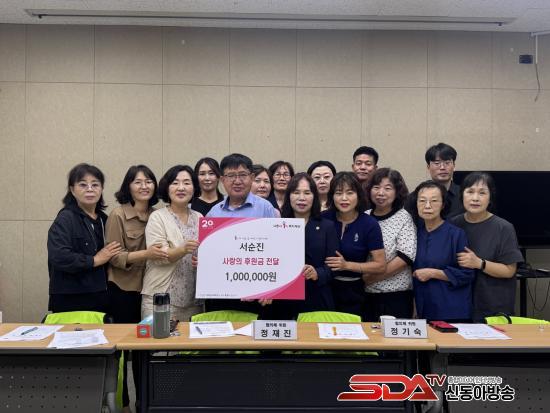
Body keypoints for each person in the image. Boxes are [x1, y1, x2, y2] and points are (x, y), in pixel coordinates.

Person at [105, 165, 164, 412]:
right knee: (121, 352)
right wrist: (147, 254)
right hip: (123, 290)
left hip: (150, 290)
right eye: (138, 182)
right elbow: (114, 257)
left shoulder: (159, 215)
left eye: (149, 181)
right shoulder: (117, 215)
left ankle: (145, 403)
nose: (144, 186)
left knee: (145, 350)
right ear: (128, 186)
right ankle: (123, 404)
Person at [206, 153, 278, 313]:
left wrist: (271, 288)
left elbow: (275, 250)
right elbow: (209, 253)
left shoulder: (265, 208)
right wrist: (202, 259)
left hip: (258, 293)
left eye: (243, 175)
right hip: (221, 292)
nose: (237, 181)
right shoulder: (214, 213)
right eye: (231, 176)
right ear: (222, 180)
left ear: (251, 177)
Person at [48, 163, 121, 313]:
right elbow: (58, 256)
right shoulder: (66, 218)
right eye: (83, 184)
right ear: (72, 190)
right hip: (70, 298)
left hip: (101, 296)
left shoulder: (105, 219)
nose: (90, 189)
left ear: (101, 189)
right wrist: (95, 260)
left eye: (95, 184)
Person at [451, 172, 523, 322]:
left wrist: (479, 263)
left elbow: (509, 270)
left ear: (490, 197)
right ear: (462, 195)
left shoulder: (503, 228)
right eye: (470, 191)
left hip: (493, 307)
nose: (475, 198)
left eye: (482, 193)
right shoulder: (453, 225)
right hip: (458, 305)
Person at [271, 173, 339, 319]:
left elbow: (334, 267)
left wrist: (318, 273)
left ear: (314, 196)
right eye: (296, 192)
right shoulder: (277, 226)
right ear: (289, 196)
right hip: (282, 299)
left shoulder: (327, 227)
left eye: (307, 193)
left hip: (316, 298)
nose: (301, 198)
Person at [141, 165, 204, 321]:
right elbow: (158, 256)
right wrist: (182, 249)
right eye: (175, 183)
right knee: (159, 337)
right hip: (161, 298)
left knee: (191, 338)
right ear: (167, 188)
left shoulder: (200, 217)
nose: (181, 188)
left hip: (194, 300)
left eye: (187, 183)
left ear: (194, 188)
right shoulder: (157, 217)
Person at [322, 172, 386, 317]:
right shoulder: (324, 219)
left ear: (358, 195)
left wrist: (347, 265)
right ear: (332, 196)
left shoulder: (369, 224)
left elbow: (380, 265)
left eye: (350, 193)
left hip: (354, 291)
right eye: (339, 193)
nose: (344, 198)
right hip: (324, 288)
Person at [410, 180, 474, 322]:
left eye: (434, 201)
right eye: (422, 201)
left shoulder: (456, 234)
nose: (427, 206)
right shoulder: (415, 234)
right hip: (423, 309)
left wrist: (433, 273)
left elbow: (467, 274)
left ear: (443, 204)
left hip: (452, 310)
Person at [363, 168, 416, 321]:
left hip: (396, 296)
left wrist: (369, 279)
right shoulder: (364, 216)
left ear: (397, 192)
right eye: (376, 187)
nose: (381, 193)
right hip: (366, 295)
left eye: (388, 188)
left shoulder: (403, 217)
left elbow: (405, 257)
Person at [425, 142, 464, 218]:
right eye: (437, 163)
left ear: (454, 166)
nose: (442, 167)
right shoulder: (418, 196)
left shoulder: (464, 195)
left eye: (447, 163)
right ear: (428, 167)